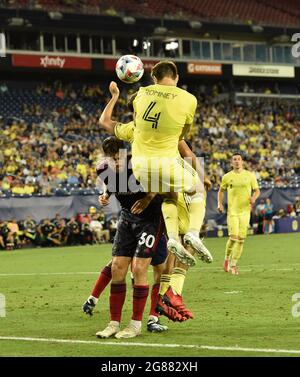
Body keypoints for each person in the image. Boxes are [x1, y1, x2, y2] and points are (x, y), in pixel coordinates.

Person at [131, 61, 213, 265]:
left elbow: (129, 122)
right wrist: (203, 175)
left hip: (140, 168)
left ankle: (174, 238)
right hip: (166, 163)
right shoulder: (189, 99)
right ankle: (193, 233)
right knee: (198, 189)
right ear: (176, 77)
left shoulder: (141, 94)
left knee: (168, 195)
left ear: (153, 78)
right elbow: (182, 136)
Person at [94, 137, 167, 339]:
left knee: (139, 268)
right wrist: (106, 194)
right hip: (127, 217)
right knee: (117, 266)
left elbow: (160, 180)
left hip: (150, 218)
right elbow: (111, 183)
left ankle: (135, 324)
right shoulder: (103, 168)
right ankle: (114, 323)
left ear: (125, 153)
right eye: (112, 159)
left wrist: (147, 198)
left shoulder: (140, 162)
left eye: (119, 158)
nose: (116, 162)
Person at [217, 153, 260, 275]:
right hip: (233, 212)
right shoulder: (227, 177)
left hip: (245, 212)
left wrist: (254, 198)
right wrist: (219, 204)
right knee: (233, 237)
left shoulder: (249, 175)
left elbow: (257, 190)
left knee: (241, 239)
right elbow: (221, 191)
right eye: (234, 160)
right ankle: (226, 258)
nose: (237, 161)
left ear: (242, 162)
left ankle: (234, 264)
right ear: (231, 163)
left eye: (239, 159)